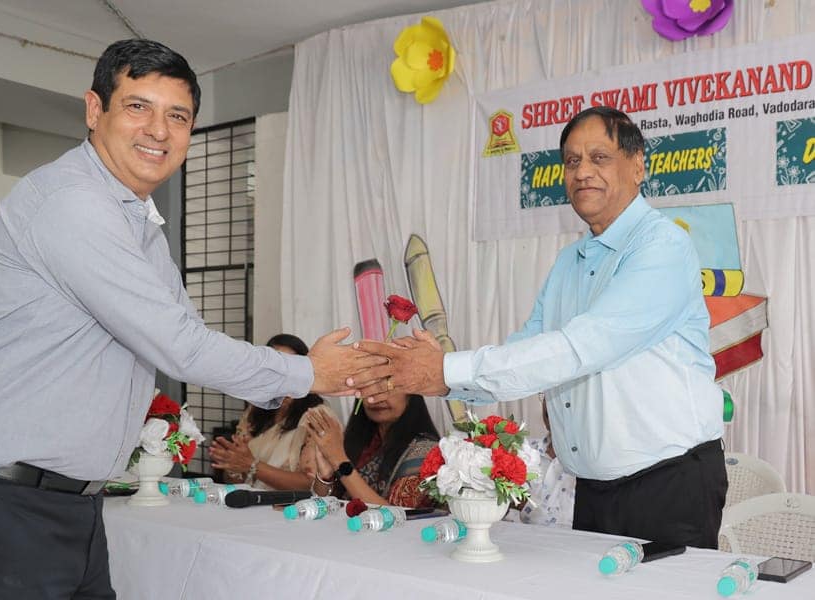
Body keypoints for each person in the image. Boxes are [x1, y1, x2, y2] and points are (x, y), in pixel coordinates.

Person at [0, 39, 381, 599]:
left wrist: (307, 375)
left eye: (177, 116)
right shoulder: (73, 202)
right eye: (138, 107)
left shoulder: (138, 224)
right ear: (95, 110)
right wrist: (308, 373)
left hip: (65, 505)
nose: (159, 130)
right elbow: (179, 346)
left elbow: (187, 337)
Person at [349, 106, 727, 549]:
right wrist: (438, 374)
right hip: (592, 489)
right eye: (571, 161)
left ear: (638, 166)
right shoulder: (569, 262)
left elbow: (579, 349)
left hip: (668, 485)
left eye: (599, 158)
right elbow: (527, 348)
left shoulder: (662, 247)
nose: (582, 172)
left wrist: (445, 370)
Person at [209, 333, 340, 490]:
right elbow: (236, 477)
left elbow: (313, 485)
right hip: (250, 501)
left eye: (291, 369)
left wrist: (252, 465)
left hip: (294, 505)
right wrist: (232, 463)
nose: (282, 378)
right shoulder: (255, 410)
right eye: (275, 370)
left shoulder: (318, 417)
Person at [305, 392, 439, 507]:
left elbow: (397, 516)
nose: (375, 398)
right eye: (368, 387)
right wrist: (326, 476)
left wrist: (339, 460)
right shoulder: (358, 441)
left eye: (387, 387)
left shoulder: (426, 451)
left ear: (411, 393)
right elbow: (324, 505)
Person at [519, 397, 575, 528]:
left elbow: (567, 520)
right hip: (518, 535)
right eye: (546, 392)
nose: (551, 398)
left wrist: (525, 504)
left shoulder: (589, 462)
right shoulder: (524, 449)